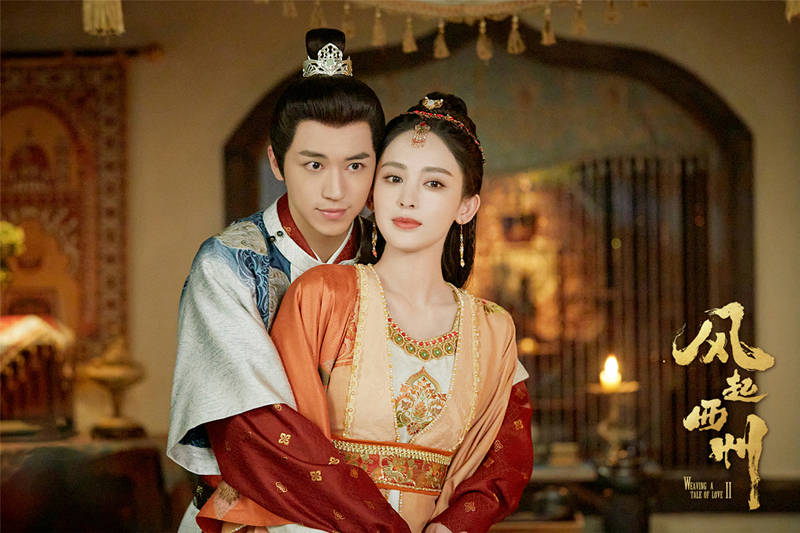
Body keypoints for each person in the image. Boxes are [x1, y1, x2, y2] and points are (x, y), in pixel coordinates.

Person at [198, 93, 534, 533]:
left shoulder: (492, 328)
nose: (407, 199)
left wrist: (452, 526)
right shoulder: (323, 295)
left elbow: (505, 460)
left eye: (433, 184)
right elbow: (276, 437)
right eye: (393, 178)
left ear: (466, 206)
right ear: (373, 193)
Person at [167, 28, 385, 532]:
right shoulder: (229, 264)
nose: (336, 189)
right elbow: (254, 427)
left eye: (356, 165)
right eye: (314, 164)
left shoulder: (392, 257)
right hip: (259, 512)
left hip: (387, 502)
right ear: (276, 162)